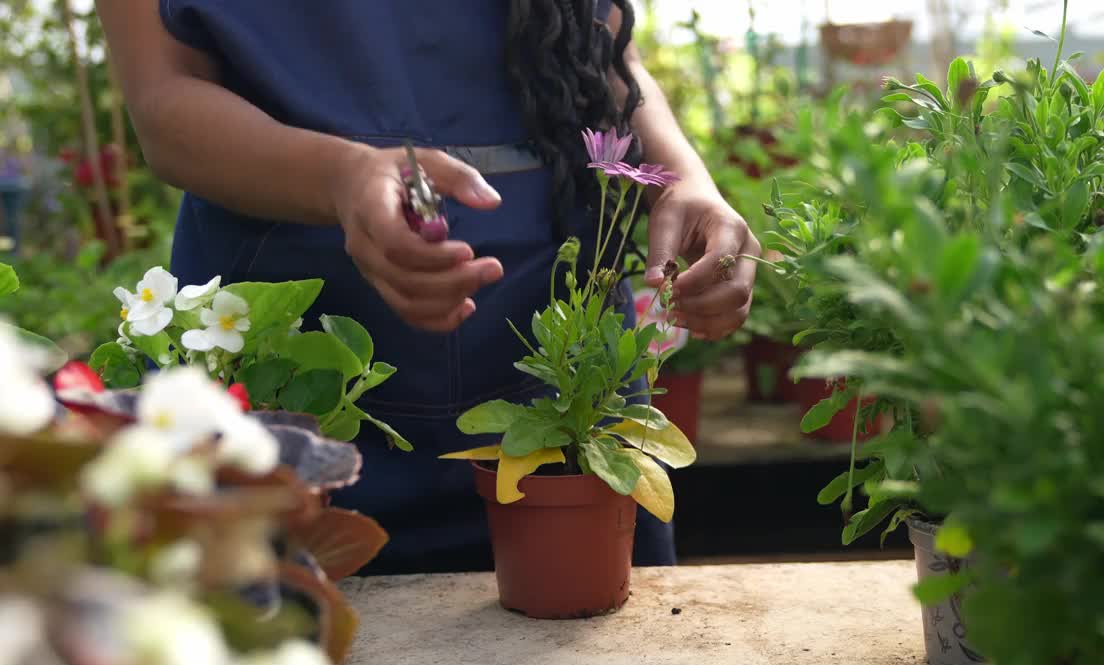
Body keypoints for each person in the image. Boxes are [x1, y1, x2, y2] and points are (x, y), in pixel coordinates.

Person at [97, 0, 759, 575]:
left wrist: (682, 180)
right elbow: (163, 100)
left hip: (567, 387)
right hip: (287, 386)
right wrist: (340, 178)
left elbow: (608, 53)